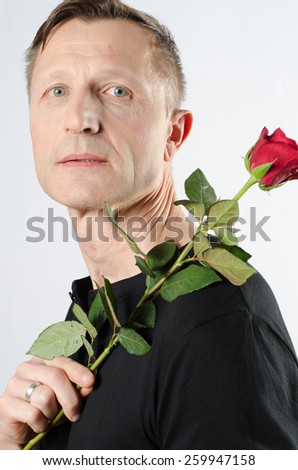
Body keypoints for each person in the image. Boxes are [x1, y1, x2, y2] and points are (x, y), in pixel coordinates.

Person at [0, 0, 297, 450]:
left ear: (173, 134)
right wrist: (11, 448)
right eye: (56, 91)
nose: (79, 118)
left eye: (117, 91)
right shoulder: (105, 310)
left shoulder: (218, 326)